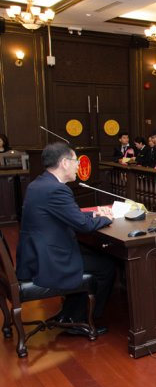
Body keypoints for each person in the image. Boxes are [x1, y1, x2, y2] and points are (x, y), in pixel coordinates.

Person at [16, 142, 114, 335]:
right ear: (64, 163)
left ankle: (70, 313)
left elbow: (67, 215)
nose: (78, 165)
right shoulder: (57, 189)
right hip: (50, 259)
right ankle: (82, 320)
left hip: (36, 253)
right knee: (106, 267)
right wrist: (107, 218)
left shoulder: (39, 183)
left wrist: (93, 214)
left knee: (94, 255)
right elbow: (83, 226)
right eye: (76, 161)